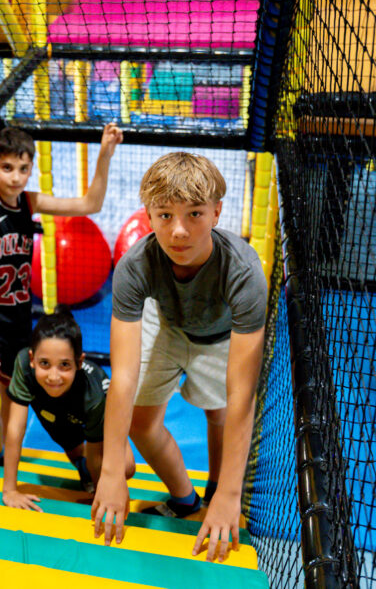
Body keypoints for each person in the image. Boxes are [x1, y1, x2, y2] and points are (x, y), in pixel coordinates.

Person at [0, 90, 122, 469]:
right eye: (7, 168)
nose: (15, 177)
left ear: (30, 170)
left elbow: (89, 205)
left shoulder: (30, 202)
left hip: (20, 325)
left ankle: (57, 456)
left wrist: (105, 155)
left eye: (23, 169)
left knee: (18, 405)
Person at [91, 152, 267, 562]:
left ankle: (216, 499)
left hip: (223, 335)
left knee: (220, 413)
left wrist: (230, 495)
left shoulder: (243, 272)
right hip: (167, 324)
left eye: (195, 214)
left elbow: (243, 395)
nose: (179, 231)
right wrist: (113, 471)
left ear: (217, 212)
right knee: (141, 422)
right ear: (148, 215)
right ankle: (186, 501)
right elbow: (123, 378)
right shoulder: (135, 266)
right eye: (165, 215)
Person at [2, 308, 136, 511]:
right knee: (75, 451)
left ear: (79, 362)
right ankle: (84, 472)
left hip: (94, 414)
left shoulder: (93, 395)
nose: (53, 376)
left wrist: (100, 494)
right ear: (32, 359)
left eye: (64, 365)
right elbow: (15, 429)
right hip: (54, 411)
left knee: (125, 467)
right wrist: (9, 490)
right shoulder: (23, 364)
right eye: (45, 363)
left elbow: (96, 454)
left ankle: (93, 483)